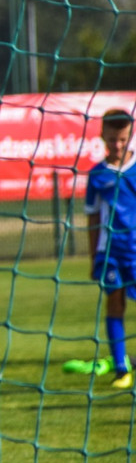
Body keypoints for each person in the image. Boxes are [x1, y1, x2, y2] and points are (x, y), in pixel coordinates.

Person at [85, 109, 136, 389]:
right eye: (112, 139)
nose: (117, 145)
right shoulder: (97, 175)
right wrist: (94, 258)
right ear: (102, 135)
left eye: (123, 139)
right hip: (111, 254)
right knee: (115, 304)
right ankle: (120, 368)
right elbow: (92, 219)